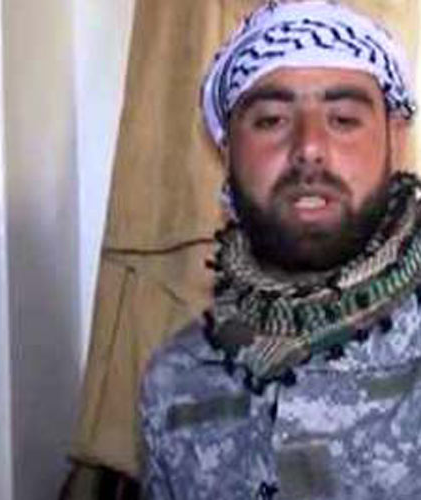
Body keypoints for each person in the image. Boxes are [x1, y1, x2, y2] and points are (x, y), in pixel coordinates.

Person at [138, 1, 420, 499]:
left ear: (393, 140)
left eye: (343, 119)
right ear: (226, 153)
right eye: (271, 120)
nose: (309, 147)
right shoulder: (176, 381)